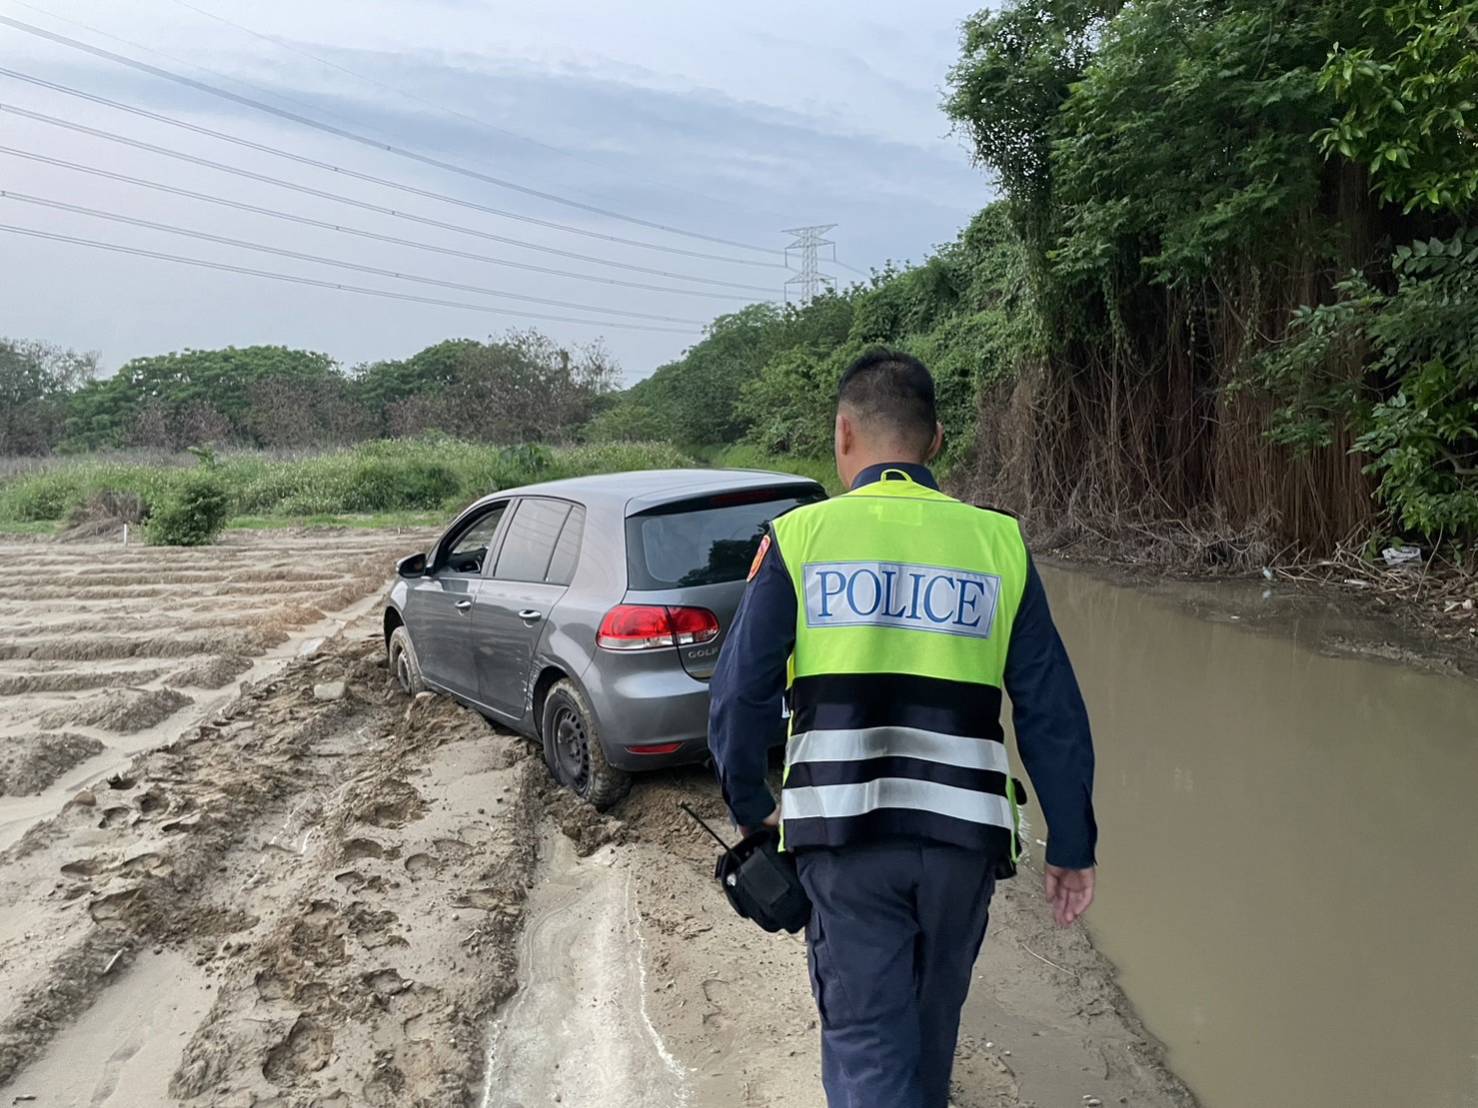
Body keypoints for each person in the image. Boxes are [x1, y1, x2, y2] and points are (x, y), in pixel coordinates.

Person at [707, 349, 1097, 1108]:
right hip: (964, 845)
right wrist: (1073, 845)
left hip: (844, 845)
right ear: (938, 442)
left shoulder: (800, 539)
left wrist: (753, 809)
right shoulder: (999, 544)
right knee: (930, 1031)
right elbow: (1051, 711)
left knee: (865, 1050)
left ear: (843, 434)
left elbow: (736, 700)